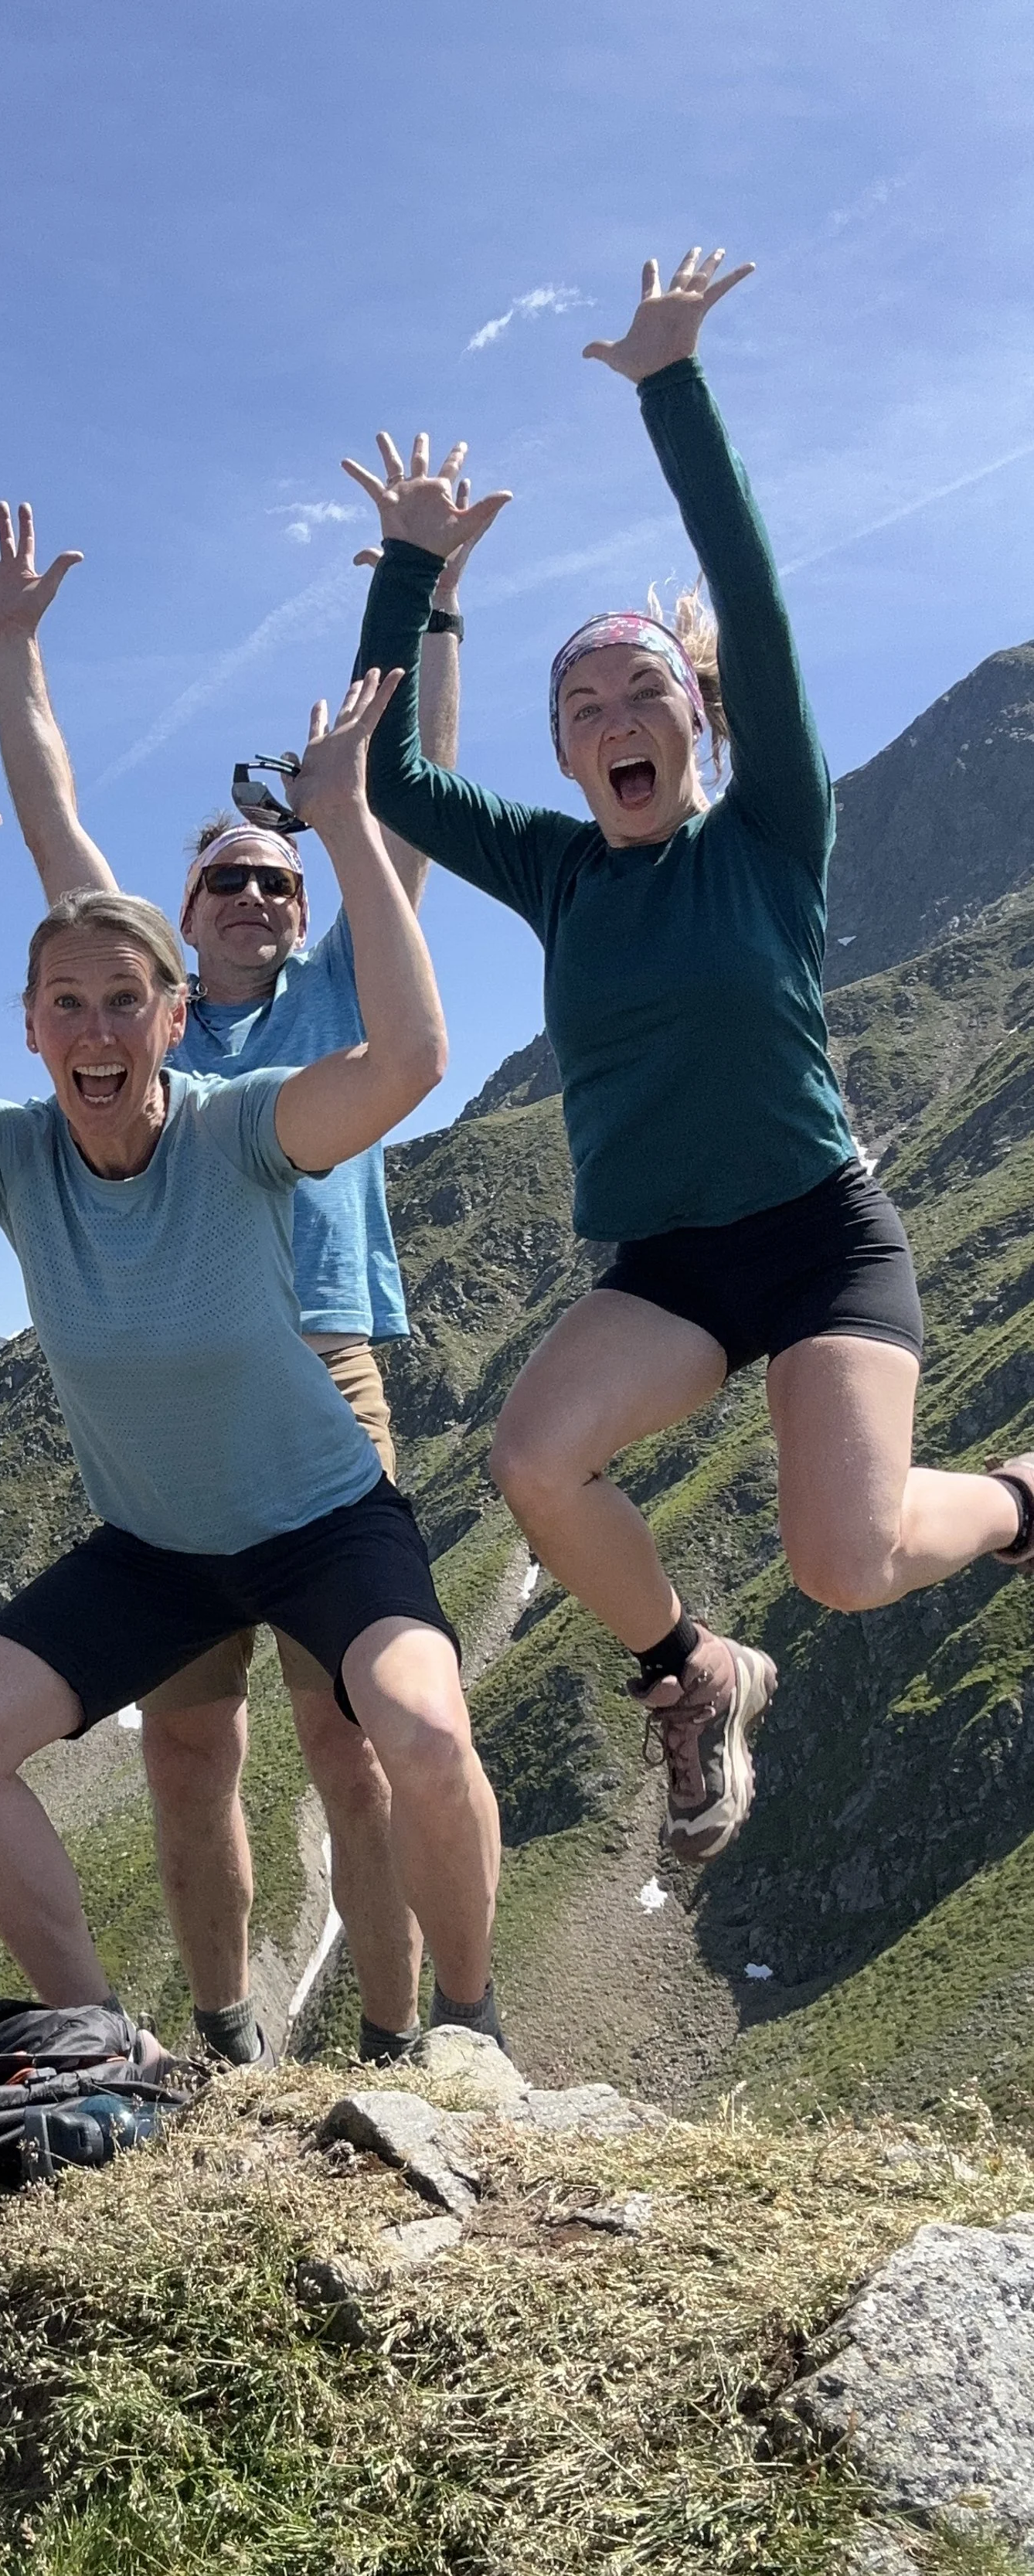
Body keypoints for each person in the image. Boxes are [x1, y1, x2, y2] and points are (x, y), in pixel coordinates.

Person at [349, 245, 1034, 1871]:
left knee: (847, 1559)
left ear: (693, 720)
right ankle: (690, 1670)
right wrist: (408, 562)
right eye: (578, 701)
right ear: (567, 752)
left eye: (638, 685)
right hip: (665, 1263)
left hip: (814, 1236)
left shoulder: (769, 827)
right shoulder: (559, 868)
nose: (611, 713)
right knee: (531, 1457)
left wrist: (669, 381)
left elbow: (754, 589)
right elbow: (382, 768)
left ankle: (1016, 1500)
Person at [0, 679, 503, 2043]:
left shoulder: (240, 1130)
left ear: (174, 1019)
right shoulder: (11, 1157)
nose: (98, 1030)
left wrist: (345, 817)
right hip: (159, 1547)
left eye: (125, 1002)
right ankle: (105, 2044)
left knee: (415, 1736)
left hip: (326, 1522)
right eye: (69, 1005)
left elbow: (411, 1056)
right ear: (33, 1030)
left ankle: (461, 2034)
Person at [0, 485, 485, 2062]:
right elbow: (51, 819)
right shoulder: (139, 1015)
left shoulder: (337, 996)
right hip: (179, 1405)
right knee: (186, 1745)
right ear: (174, 932)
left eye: (279, 878)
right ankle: (218, 2031)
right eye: (226, 881)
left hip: (322, 1374)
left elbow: (409, 788)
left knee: (349, 1736)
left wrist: (424, 593)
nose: (256, 893)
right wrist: (13, 650)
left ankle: (395, 2039)